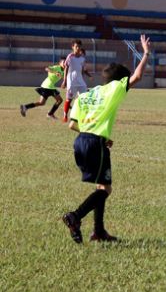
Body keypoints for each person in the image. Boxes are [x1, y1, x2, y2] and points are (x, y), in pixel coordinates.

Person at [61, 34, 151, 243]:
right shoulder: (114, 88)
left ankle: (99, 232)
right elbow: (137, 76)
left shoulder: (85, 96)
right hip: (94, 144)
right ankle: (75, 216)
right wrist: (145, 53)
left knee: (101, 185)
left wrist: (97, 133)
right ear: (120, 79)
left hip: (81, 142)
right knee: (106, 188)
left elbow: (72, 124)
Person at [61, 39, 92, 123]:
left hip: (80, 82)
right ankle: (65, 115)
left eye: (79, 46)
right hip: (71, 81)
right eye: (76, 46)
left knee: (85, 98)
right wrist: (64, 81)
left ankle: (83, 116)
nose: (78, 48)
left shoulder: (82, 58)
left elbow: (82, 69)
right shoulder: (70, 56)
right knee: (69, 99)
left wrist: (85, 77)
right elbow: (66, 68)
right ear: (73, 47)